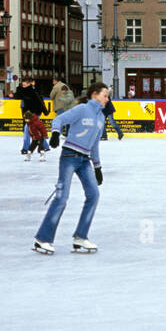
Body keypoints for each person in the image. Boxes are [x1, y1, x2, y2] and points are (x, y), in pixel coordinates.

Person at [34, 82, 109, 255]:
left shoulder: (101, 118)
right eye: (105, 95)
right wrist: (54, 133)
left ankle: (80, 237)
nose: (107, 99)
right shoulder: (82, 109)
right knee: (62, 198)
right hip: (69, 156)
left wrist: (97, 167)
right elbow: (59, 119)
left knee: (94, 195)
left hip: (84, 160)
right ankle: (43, 239)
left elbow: (95, 144)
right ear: (95, 94)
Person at [14, 77, 47, 158]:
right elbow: (17, 96)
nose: (23, 84)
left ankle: (25, 148)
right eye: (22, 83)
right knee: (34, 130)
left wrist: (45, 111)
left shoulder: (33, 91)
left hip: (35, 112)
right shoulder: (23, 90)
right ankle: (45, 146)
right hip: (28, 113)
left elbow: (40, 101)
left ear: (29, 83)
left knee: (27, 129)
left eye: (24, 83)